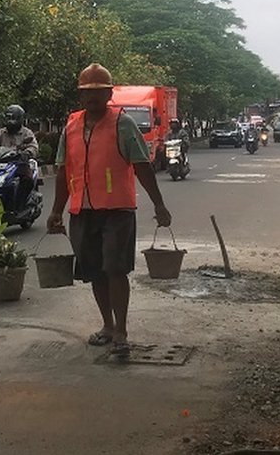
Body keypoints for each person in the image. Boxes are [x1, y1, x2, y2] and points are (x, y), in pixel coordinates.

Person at [47, 63, 172, 356]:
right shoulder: (71, 126)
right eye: (87, 93)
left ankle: (121, 332)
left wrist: (159, 203)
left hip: (117, 210)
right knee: (94, 272)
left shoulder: (122, 124)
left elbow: (142, 166)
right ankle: (107, 325)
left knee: (115, 270)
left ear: (108, 94)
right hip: (83, 210)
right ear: (80, 96)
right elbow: (64, 171)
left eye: (99, 92)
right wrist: (56, 211)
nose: (93, 98)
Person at [0, 104, 39, 206]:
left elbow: (33, 146)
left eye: (13, 118)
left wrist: (28, 153)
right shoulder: (0, 133)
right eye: (9, 117)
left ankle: (22, 203)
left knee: (27, 180)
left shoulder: (27, 133)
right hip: (2, 165)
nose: (10, 120)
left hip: (20, 164)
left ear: (20, 118)